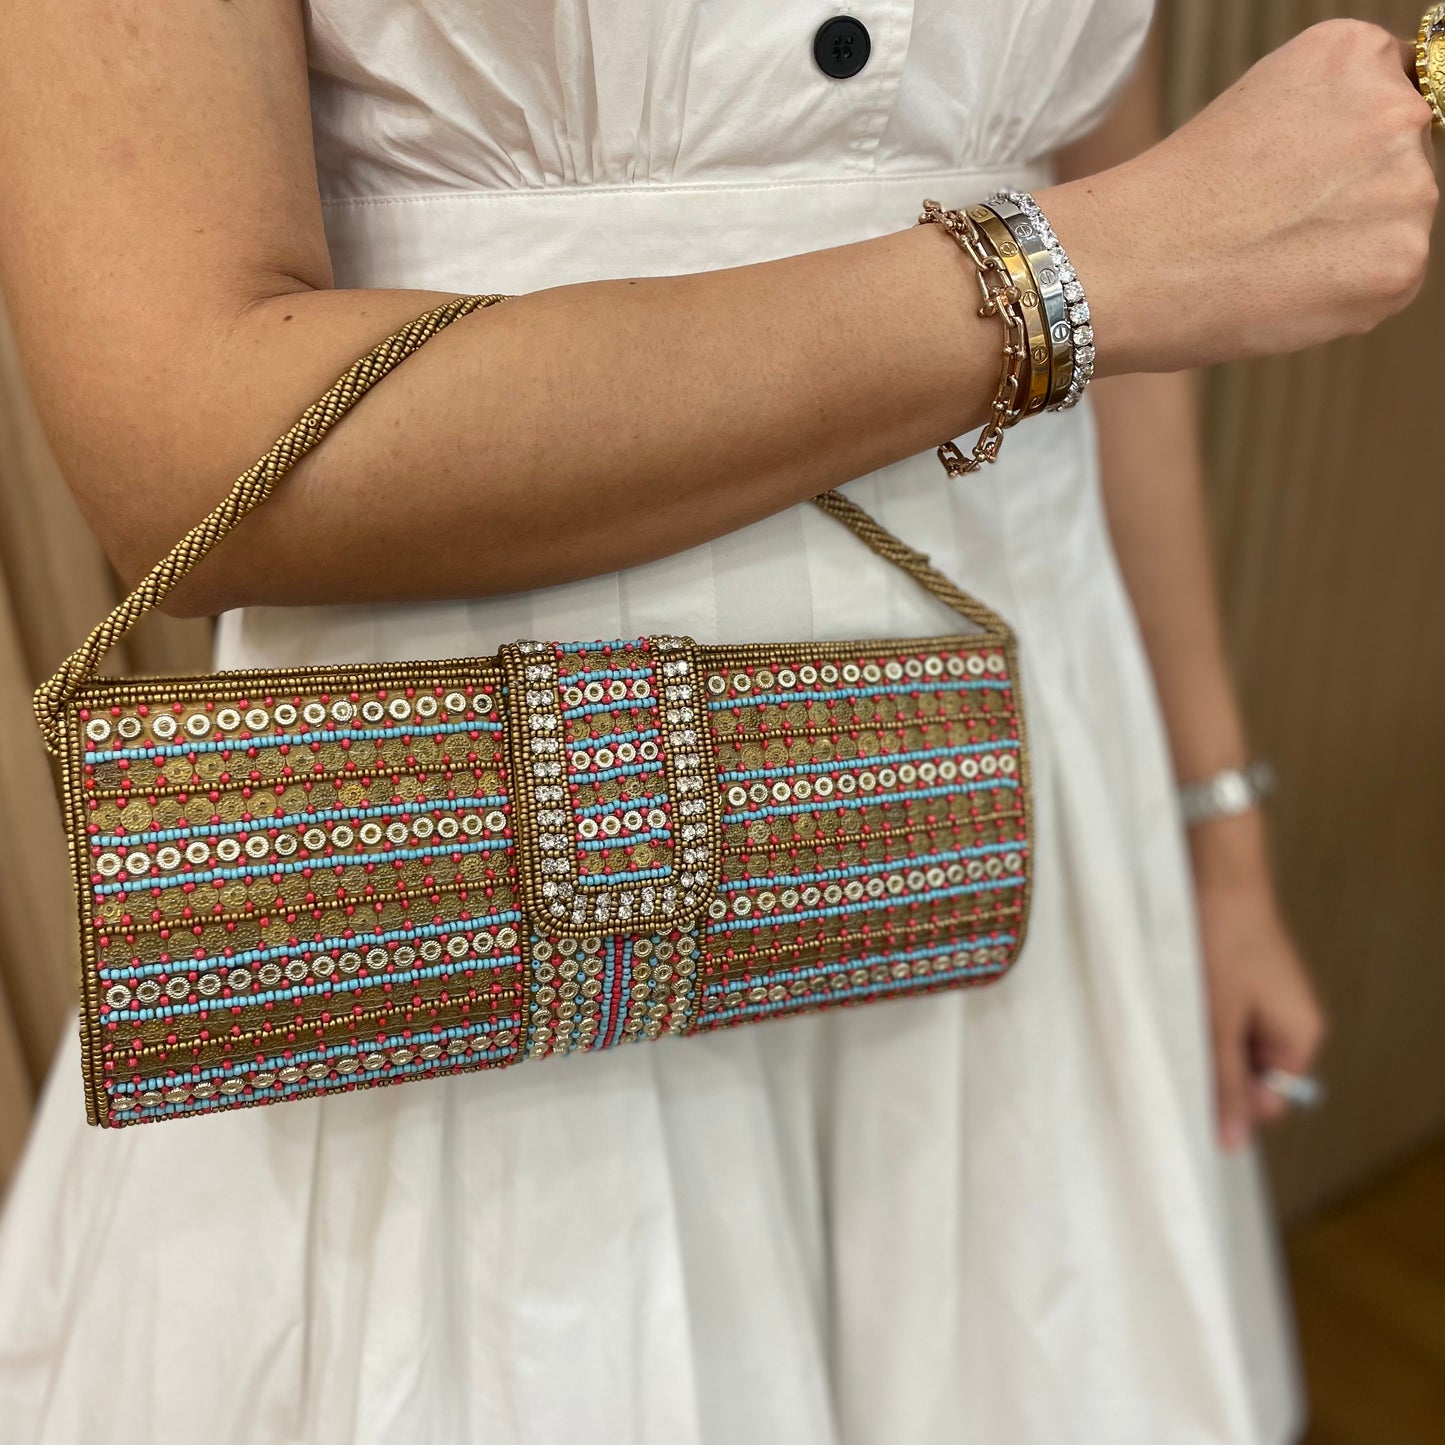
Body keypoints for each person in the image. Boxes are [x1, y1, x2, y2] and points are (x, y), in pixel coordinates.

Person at [0, 2, 1435, 1442]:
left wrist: (1213, 837)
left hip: (1005, 805)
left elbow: (1131, 286)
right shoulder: (1057, 276)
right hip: (467, 866)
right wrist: (1054, 276)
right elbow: (191, 450)